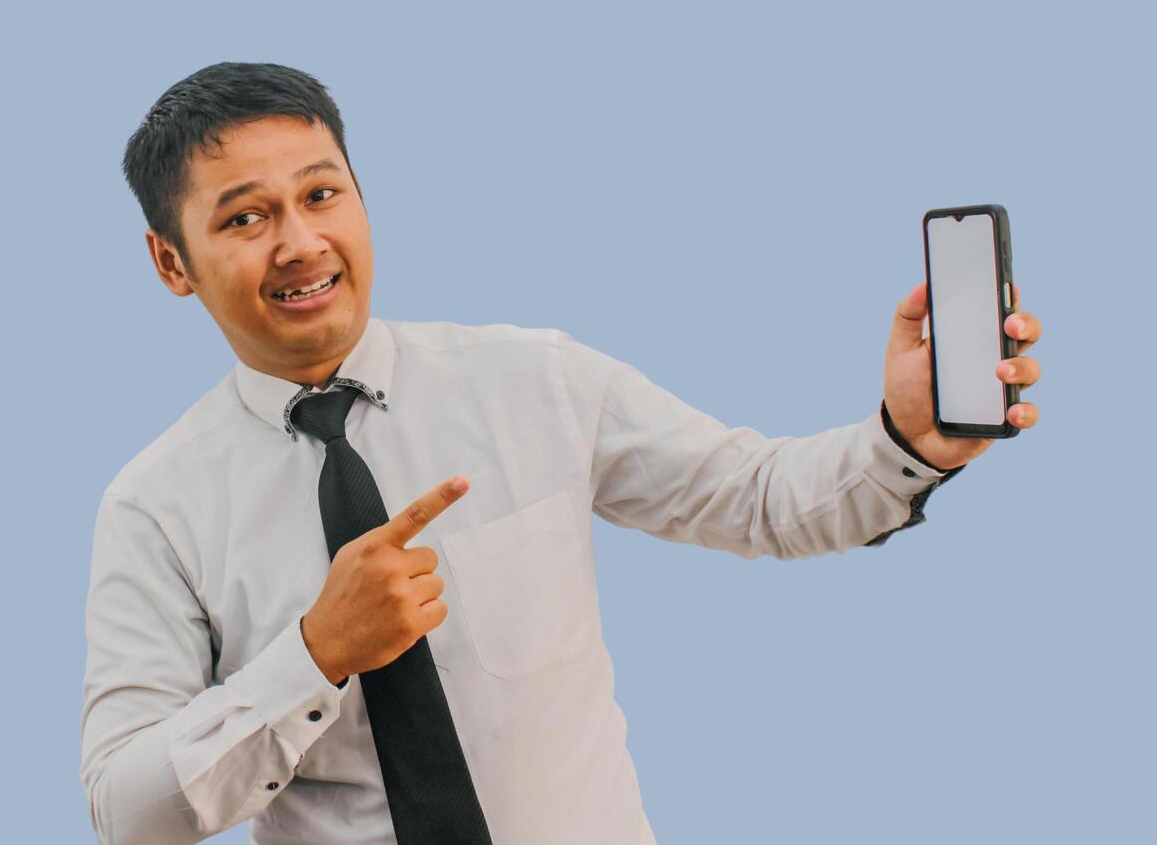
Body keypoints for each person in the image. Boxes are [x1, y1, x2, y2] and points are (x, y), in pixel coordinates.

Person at [78, 62, 1044, 845]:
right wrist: (314, 655)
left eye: (321, 194)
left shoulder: (532, 380)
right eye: (245, 218)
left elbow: (756, 500)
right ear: (173, 261)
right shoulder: (156, 505)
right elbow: (125, 811)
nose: (300, 242)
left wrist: (905, 440)